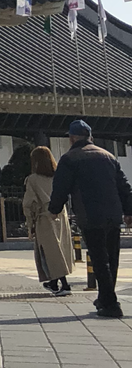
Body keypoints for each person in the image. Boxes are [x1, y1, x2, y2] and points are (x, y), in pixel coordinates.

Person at [49, 120, 132, 318]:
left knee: (99, 259)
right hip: (113, 215)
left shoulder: (69, 159)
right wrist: (129, 211)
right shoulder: (108, 156)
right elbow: (124, 186)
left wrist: (54, 209)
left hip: (90, 214)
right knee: (112, 258)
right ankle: (104, 298)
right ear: (90, 137)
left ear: (72, 138)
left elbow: (61, 188)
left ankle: (110, 304)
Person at [23, 145, 74, 296]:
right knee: (60, 249)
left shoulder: (32, 179)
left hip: (44, 217)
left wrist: (30, 224)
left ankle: (64, 285)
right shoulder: (58, 176)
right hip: (61, 215)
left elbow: (29, 203)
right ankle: (53, 283)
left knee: (49, 251)